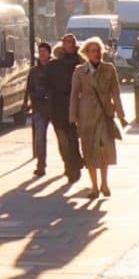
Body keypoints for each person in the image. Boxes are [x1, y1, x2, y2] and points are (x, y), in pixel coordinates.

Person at [69, 36, 126, 198]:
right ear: (87, 53)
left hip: (104, 115)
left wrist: (121, 115)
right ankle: (94, 186)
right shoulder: (80, 71)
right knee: (89, 151)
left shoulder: (109, 69)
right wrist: (73, 118)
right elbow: (74, 95)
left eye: (99, 51)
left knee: (104, 150)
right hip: (86, 117)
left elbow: (116, 93)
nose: (97, 54)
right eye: (93, 51)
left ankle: (104, 184)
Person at [47, 32, 83, 183]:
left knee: (73, 139)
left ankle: (75, 164)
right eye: (66, 41)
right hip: (58, 107)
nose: (69, 44)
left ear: (75, 45)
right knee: (62, 139)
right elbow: (48, 85)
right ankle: (69, 165)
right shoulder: (54, 65)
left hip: (76, 106)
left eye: (71, 41)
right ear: (62, 44)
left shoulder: (81, 64)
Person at [25, 41, 53, 177]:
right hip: (39, 108)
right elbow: (29, 88)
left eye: (44, 51)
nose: (42, 54)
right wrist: (34, 99)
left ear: (49, 53)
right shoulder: (34, 71)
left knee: (63, 138)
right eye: (40, 51)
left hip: (54, 107)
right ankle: (41, 165)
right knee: (40, 137)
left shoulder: (55, 68)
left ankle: (70, 166)